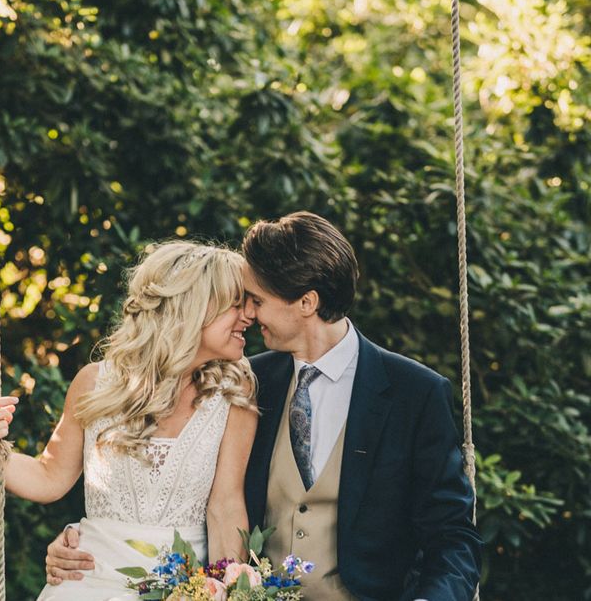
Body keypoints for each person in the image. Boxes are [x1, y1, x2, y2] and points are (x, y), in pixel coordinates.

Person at [45, 212, 482, 600]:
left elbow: (452, 534)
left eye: (256, 300)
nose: (248, 315)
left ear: (307, 303)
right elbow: (150, 473)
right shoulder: (237, 383)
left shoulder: (415, 393)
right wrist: (82, 543)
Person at [0, 241, 258, 600]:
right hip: (87, 585)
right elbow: (48, 477)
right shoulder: (95, 382)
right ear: (194, 307)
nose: (249, 315)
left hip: (183, 591)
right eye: (236, 304)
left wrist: (233, 591)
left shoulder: (234, 393)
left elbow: (226, 506)